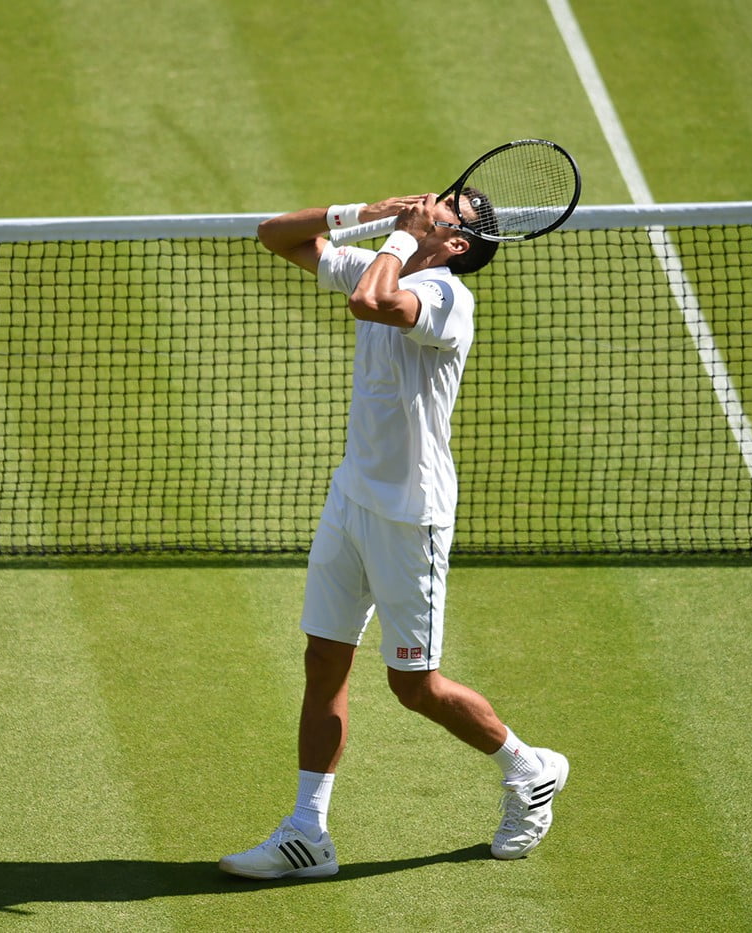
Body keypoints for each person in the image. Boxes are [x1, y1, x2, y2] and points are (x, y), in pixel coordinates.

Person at [218, 193, 568, 880]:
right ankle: (307, 832)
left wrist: (400, 241)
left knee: (414, 685)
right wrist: (367, 210)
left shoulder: (442, 296)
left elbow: (371, 302)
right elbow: (274, 235)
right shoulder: (394, 261)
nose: (431, 202)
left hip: (412, 518)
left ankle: (528, 769)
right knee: (324, 660)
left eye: (448, 206)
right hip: (351, 498)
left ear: (459, 242)